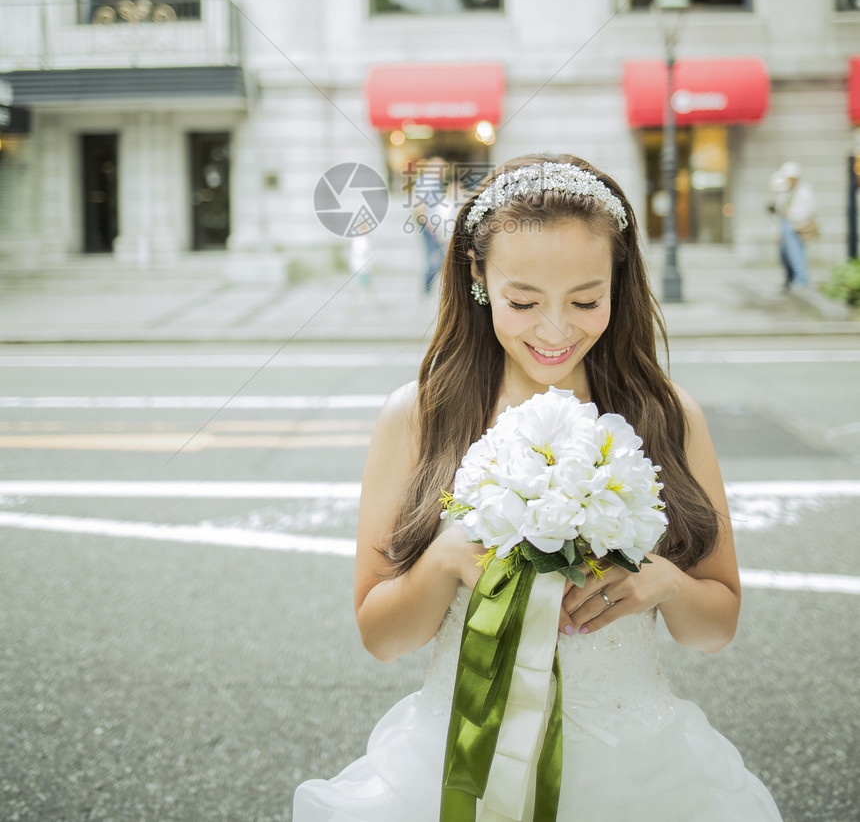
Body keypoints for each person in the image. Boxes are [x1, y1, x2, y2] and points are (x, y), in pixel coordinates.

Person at [293, 153, 783, 821]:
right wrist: (444, 560)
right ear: (478, 276)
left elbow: (717, 623)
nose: (555, 330)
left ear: (620, 280)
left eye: (586, 300)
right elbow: (381, 636)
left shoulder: (667, 414)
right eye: (523, 301)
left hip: (641, 765)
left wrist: (662, 583)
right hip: (457, 759)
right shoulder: (418, 415)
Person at [768, 161, 817, 291]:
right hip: (783, 224)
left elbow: (808, 209)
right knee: (784, 255)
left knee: (796, 254)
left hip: (794, 225)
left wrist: (793, 215)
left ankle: (801, 281)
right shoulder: (784, 189)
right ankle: (789, 279)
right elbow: (775, 189)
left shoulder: (804, 190)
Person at [410, 156, 456, 294]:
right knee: (434, 258)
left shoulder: (433, 181)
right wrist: (430, 225)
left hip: (434, 226)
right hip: (429, 226)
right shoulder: (427, 181)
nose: (442, 171)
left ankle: (433, 289)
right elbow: (419, 205)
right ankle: (427, 289)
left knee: (437, 256)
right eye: (440, 168)